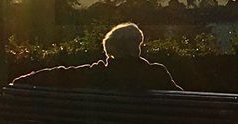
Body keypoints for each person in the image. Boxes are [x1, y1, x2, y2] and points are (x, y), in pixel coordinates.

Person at [11, 22, 182, 91]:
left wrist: (22, 80)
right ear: (138, 45)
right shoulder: (156, 74)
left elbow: (59, 74)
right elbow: (182, 101)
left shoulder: (95, 74)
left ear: (110, 48)